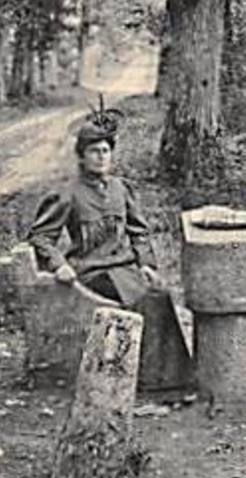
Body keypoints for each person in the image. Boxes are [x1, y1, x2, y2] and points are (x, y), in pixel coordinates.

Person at [27, 120, 194, 385]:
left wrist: (147, 264)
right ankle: (139, 378)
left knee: (159, 295)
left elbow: (139, 231)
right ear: (81, 156)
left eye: (106, 151)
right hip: (91, 270)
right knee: (140, 298)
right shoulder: (67, 193)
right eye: (94, 151)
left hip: (125, 267)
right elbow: (40, 236)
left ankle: (170, 378)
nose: (101, 157)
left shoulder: (121, 189)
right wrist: (59, 264)